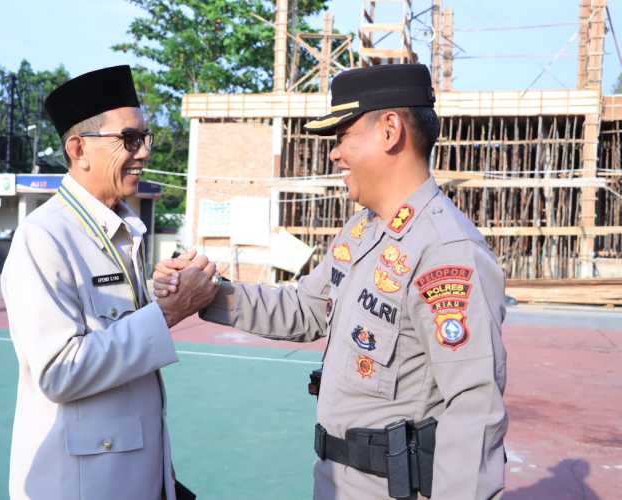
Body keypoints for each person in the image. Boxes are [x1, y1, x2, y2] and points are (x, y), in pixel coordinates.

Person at [155, 64, 508, 499]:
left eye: (342, 135)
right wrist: (207, 291)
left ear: (390, 130)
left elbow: (473, 409)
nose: (334, 153)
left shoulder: (446, 250)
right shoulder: (363, 232)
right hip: (338, 480)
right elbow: (306, 309)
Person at [0, 65, 217, 500]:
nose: (143, 153)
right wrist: (167, 313)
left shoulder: (122, 230)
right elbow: (59, 372)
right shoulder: (45, 236)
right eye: (129, 139)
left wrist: (161, 297)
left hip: (130, 475)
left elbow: (118, 338)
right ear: (78, 148)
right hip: (80, 485)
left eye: (144, 139)